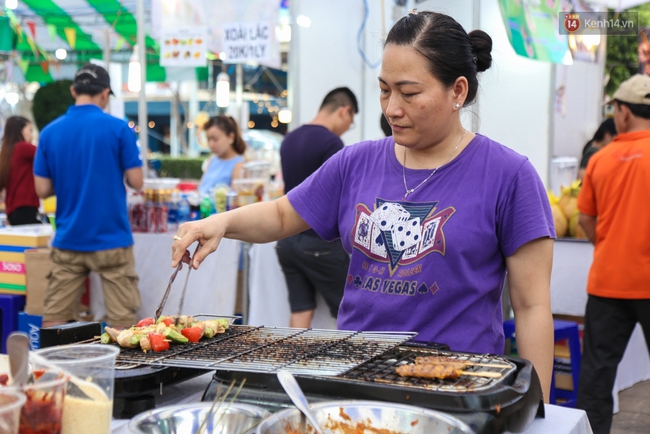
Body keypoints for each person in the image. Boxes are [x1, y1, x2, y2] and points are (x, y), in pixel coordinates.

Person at [171, 10, 555, 402]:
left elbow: (532, 306)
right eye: (385, 89)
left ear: (457, 91)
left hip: (455, 389)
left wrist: (538, 409)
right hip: (350, 379)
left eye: (409, 93)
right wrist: (219, 222)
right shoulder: (355, 162)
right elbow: (283, 214)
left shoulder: (509, 175)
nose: (391, 108)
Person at [34, 63, 144, 329]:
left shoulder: (49, 132)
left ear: (74, 91)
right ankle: (122, 369)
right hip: (112, 239)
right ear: (105, 93)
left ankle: (53, 369)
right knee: (122, 322)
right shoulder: (119, 129)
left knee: (55, 317)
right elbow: (137, 182)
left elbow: (42, 190)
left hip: (69, 237)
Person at [576, 74, 650, 434]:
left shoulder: (600, 161)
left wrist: (609, 244)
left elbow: (585, 218)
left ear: (622, 112)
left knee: (596, 380)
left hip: (607, 283)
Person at [276, 87, 358, 328]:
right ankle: (350, 365)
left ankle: (289, 365)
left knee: (301, 311)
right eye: (350, 122)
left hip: (287, 242)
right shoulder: (332, 143)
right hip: (319, 242)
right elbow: (338, 196)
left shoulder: (290, 138)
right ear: (345, 111)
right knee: (350, 311)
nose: (346, 128)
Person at [0, 116, 42, 225]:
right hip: (25, 208)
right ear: (19, 130)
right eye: (30, 130)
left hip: (13, 210)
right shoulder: (22, 148)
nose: (32, 135)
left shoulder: (7, 152)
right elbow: (46, 153)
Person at [198, 115, 246, 196]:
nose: (211, 144)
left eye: (215, 139)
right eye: (208, 139)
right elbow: (200, 188)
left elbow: (234, 200)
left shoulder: (239, 166)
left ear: (231, 137)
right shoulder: (212, 159)